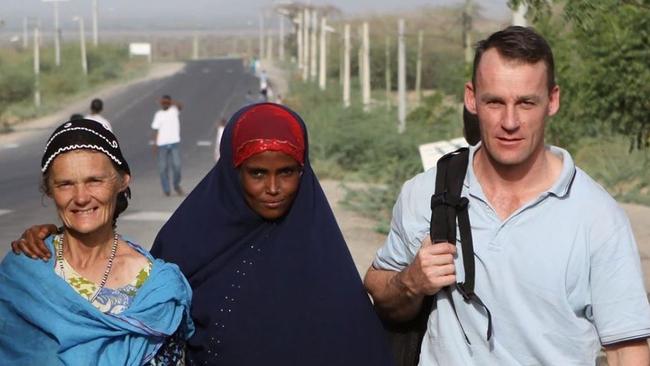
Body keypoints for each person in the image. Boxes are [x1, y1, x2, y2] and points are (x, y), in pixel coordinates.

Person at [12, 103, 395, 365]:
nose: (273, 188)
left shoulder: (325, 262)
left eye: (288, 172)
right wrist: (55, 237)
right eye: (257, 173)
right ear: (232, 171)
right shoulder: (180, 248)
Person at [364, 26, 650, 365]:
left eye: (526, 102)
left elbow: (626, 350)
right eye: (495, 102)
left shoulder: (596, 215)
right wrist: (411, 281)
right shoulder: (426, 191)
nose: (510, 121)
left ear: (552, 100)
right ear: (471, 98)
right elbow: (378, 288)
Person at [0, 119, 194, 365]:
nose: (81, 197)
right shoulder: (24, 273)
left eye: (94, 181)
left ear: (122, 181)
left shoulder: (157, 289)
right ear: (49, 189)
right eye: (65, 184)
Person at [151, 95, 184, 196]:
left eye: (167, 102)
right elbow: (155, 130)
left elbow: (180, 105)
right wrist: (155, 144)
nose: (165, 104)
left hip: (174, 143)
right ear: (161, 104)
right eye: (163, 103)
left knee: (177, 166)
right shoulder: (158, 114)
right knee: (163, 168)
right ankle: (166, 189)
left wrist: (171, 102)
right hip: (162, 144)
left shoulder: (174, 110)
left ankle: (176, 184)